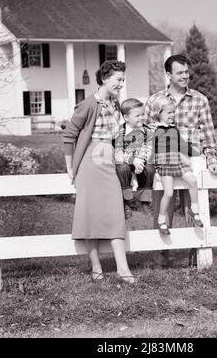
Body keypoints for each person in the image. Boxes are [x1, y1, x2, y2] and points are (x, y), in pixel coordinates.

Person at [144, 54, 217, 266]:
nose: (185, 76)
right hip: (164, 164)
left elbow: (208, 135)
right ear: (168, 74)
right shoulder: (154, 101)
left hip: (191, 163)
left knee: (192, 210)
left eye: (186, 72)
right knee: (163, 207)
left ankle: (195, 256)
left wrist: (212, 159)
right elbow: (144, 132)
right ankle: (161, 258)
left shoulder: (199, 100)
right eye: (179, 72)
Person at [62, 60, 136, 284]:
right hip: (89, 164)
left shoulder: (116, 103)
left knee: (115, 214)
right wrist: (70, 166)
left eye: (123, 80)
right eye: (118, 79)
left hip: (109, 161)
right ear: (104, 78)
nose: (121, 84)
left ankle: (123, 269)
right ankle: (96, 268)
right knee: (90, 216)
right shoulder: (87, 104)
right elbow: (69, 135)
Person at [151, 94, 203, 235]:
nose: (172, 115)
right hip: (165, 164)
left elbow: (182, 144)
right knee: (168, 192)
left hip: (177, 162)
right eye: (169, 112)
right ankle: (161, 220)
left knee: (192, 181)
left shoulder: (174, 129)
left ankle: (195, 211)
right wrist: (155, 168)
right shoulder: (155, 130)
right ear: (159, 113)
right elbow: (152, 150)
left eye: (173, 112)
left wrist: (195, 152)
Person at [115, 98, 155, 219]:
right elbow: (118, 152)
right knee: (122, 169)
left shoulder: (147, 132)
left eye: (142, 114)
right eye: (137, 115)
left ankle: (144, 201)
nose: (141, 118)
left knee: (150, 168)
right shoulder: (120, 132)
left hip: (141, 161)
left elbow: (149, 149)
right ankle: (126, 202)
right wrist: (133, 160)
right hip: (125, 161)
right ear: (126, 117)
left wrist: (141, 160)